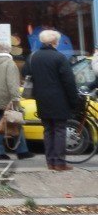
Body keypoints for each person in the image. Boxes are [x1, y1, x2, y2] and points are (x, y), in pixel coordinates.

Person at [27, 29, 79, 171]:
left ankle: (50, 161)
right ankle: (60, 162)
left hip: (41, 99)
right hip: (59, 99)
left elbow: (27, 74)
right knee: (60, 130)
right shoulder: (59, 58)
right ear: (55, 42)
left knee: (48, 130)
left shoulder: (34, 57)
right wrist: (73, 101)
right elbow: (69, 82)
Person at [0, 41, 34, 161]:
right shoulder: (9, 63)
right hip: (6, 97)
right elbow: (12, 84)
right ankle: (22, 151)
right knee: (17, 122)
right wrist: (16, 98)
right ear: (7, 50)